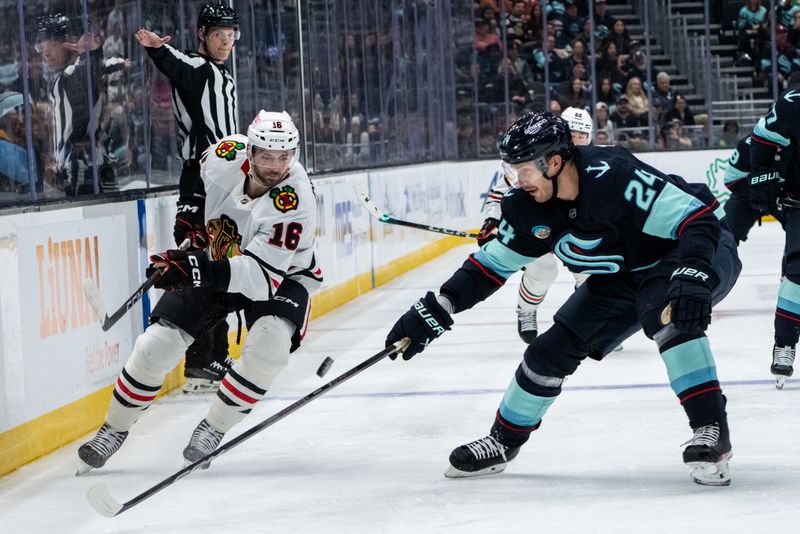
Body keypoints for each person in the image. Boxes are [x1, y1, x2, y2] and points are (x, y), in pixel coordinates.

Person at [387, 111, 741, 486]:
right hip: (625, 273)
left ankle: (712, 430)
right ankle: (502, 442)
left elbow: (696, 220)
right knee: (547, 352)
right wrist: (441, 304)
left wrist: (694, 272)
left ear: (554, 162)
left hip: (695, 247)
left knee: (667, 314)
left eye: (524, 170)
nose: (517, 181)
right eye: (512, 170)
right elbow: (490, 266)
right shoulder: (524, 207)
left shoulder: (615, 174)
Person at [77, 110, 323, 472]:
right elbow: (197, 173)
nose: (274, 166)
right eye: (267, 156)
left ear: (294, 156)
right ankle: (113, 429)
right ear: (250, 151)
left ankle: (214, 426)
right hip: (220, 259)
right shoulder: (226, 154)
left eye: (283, 157)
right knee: (154, 345)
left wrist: (193, 267)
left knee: (269, 347)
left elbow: (258, 278)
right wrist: (190, 216)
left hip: (281, 277)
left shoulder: (295, 201)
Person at [136, 3, 241, 393]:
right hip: (201, 181)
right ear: (202, 34)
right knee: (201, 263)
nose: (226, 39)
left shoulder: (221, 73)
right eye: (218, 33)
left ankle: (213, 351)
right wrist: (154, 47)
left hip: (225, 181)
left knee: (221, 263)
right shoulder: (197, 69)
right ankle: (201, 356)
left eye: (231, 33)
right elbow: (174, 62)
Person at [477, 107, 593, 343]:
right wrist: (492, 221)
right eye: (573, 134)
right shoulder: (535, 162)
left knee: (589, 270)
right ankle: (526, 310)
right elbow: (500, 195)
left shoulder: (592, 163)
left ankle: (593, 322)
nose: (578, 140)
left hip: (573, 230)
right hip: (535, 229)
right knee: (543, 269)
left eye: (583, 135)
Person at [747, 78, 800, 388]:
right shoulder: (794, 101)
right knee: (797, 272)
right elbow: (762, 138)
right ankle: (785, 344)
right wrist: (764, 181)